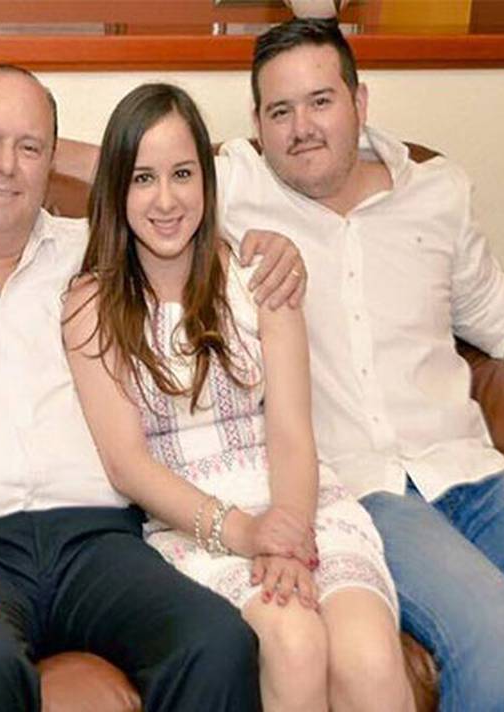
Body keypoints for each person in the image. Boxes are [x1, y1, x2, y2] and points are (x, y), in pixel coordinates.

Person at [0, 64, 305, 712]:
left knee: (216, 641)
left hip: (99, 542)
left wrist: (267, 246)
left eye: (30, 147)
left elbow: (169, 191)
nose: (6, 166)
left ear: (52, 162)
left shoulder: (98, 251)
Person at [63, 82, 411, 712]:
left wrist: (290, 530)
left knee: (370, 657)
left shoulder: (260, 276)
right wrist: (250, 534)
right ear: (117, 189)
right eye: (142, 178)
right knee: (295, 641)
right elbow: (127, 465)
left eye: (182, 174)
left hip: (297, 502)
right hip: (195, 523)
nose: (166, 199)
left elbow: (293, 430)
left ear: (207, 180)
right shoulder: (91, 304)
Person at [217, 18, 504, 710]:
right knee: (498, 641)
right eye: (280, 111)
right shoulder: (232, 187)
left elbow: (499, 319)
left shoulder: (437, 192)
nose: (302, 128)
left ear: (360, 101)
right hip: (361, 493)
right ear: (257, 125)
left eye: (321, 101)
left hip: (473, 471)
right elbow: (127, 169)